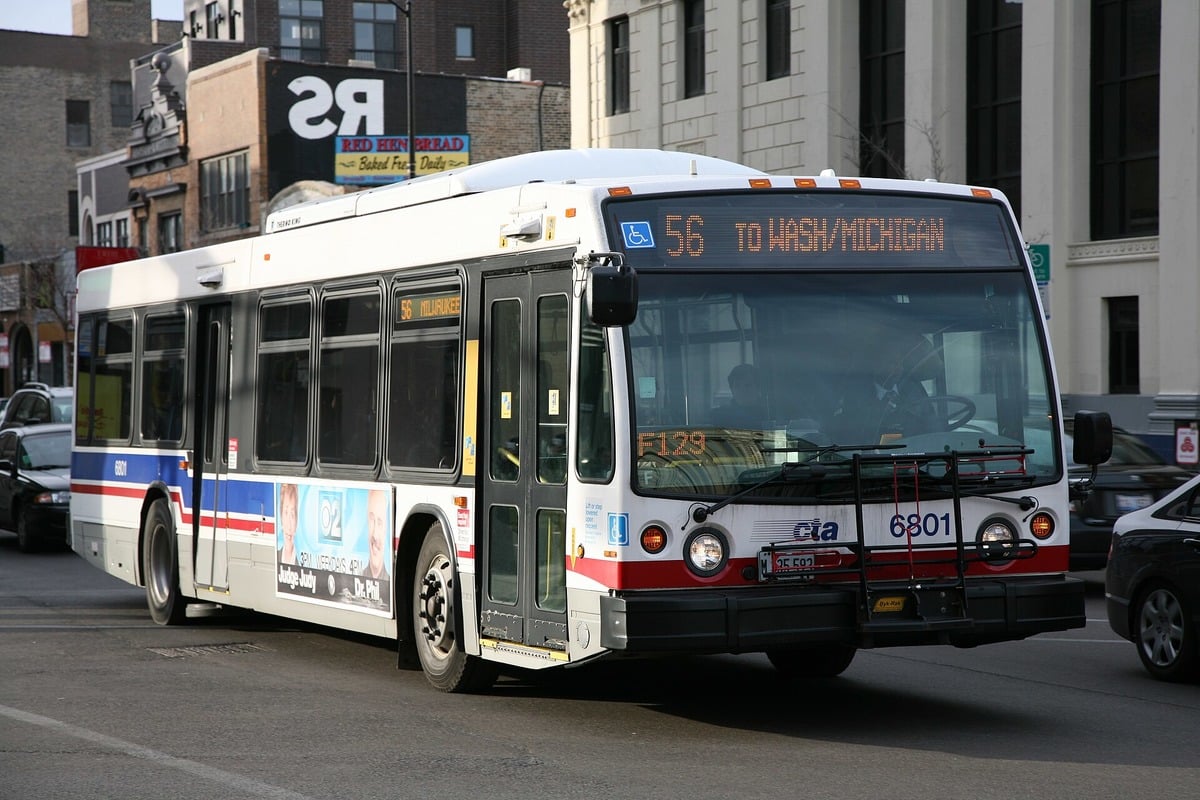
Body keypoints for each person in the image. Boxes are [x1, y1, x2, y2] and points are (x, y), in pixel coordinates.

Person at [832, 331, 941, 442]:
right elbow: (849, 436)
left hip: (915, 454)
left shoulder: (914, 390)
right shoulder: (855, 396)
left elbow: (933, 427)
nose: (898, 368)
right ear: (875, 365)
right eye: (891, 363)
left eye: (900, 363)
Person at [712, 363, 767, 428]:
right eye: (737, 386)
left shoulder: (769, 416)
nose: (742, 390)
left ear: (758, 388)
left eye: (748, 385)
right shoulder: (720, 416)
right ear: (732, 390)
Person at [363, 488, 390, 580]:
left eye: (379, 523)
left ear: (386, 529)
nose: (374, 534)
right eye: (371, 520)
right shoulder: (351, 585)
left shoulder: (392, 582)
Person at [278, 483, 299, 565]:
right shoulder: (276, 556)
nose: (289, 525)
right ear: (281, 516)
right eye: (286, 513)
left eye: (292, 515)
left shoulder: (302, 563)